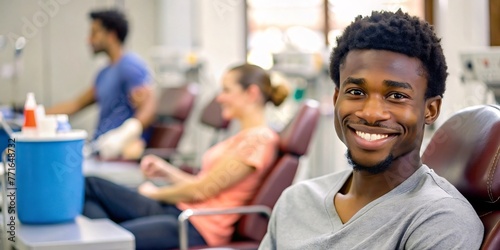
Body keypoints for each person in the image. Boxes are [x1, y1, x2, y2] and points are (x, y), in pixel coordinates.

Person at [259, 10, 484, 250]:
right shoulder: (296, 201)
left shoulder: (440, 220)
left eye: (397, 96)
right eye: (356, 92)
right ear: (336, 98)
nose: (371, 113)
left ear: (430, 110)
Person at [83, 63, 289, 249]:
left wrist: (154, 194)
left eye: (226, 90)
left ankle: (107, 241)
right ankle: (107, 237)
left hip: (195, 226)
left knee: (106, 233)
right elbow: (203, 184)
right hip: (180, 211)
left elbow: (202, 190)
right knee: (90, 187)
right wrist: (167, 171)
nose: (219, 98)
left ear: (251, 93)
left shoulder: (258, 140)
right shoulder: (243, 137)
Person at [46, 9, 156, 160]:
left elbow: (149, 106)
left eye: (94, 33)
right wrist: (35, 115)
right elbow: (76, 104)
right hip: (99, 151)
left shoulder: (130, 66)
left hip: (119, 155)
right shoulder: (104, 73)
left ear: (111, 35)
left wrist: (125, 134)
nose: (88, 40)